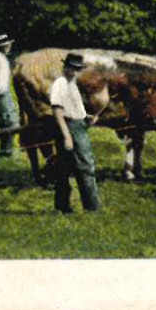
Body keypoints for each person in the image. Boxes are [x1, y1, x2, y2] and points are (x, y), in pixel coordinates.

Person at [50, 52, 102, 213]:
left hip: (78, 125)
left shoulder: (72, 84)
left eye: (77, 69)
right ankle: (93, 207)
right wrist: (67, 136)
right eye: (70, 68)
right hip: (70, 128)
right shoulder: (60, 83)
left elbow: (74, 108)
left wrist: (87, 117)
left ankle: (62, 206)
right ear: (65, 67)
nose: (73, 71)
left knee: (63, 168)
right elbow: (57, 111)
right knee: (86, 165)